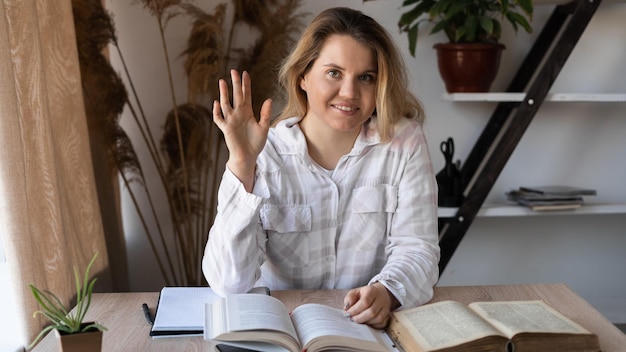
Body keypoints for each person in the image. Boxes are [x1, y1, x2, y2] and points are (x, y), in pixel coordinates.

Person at [202, 6, 439, 329]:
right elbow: (230, 283)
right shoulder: (265, 152)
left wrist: (386, 292)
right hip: (285, 334)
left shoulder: (404, 142)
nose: (350, 93)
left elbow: (419, 249)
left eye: (365, 77)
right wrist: (242, 166)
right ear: (303, 76)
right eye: (334, 73)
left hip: (370, 331)